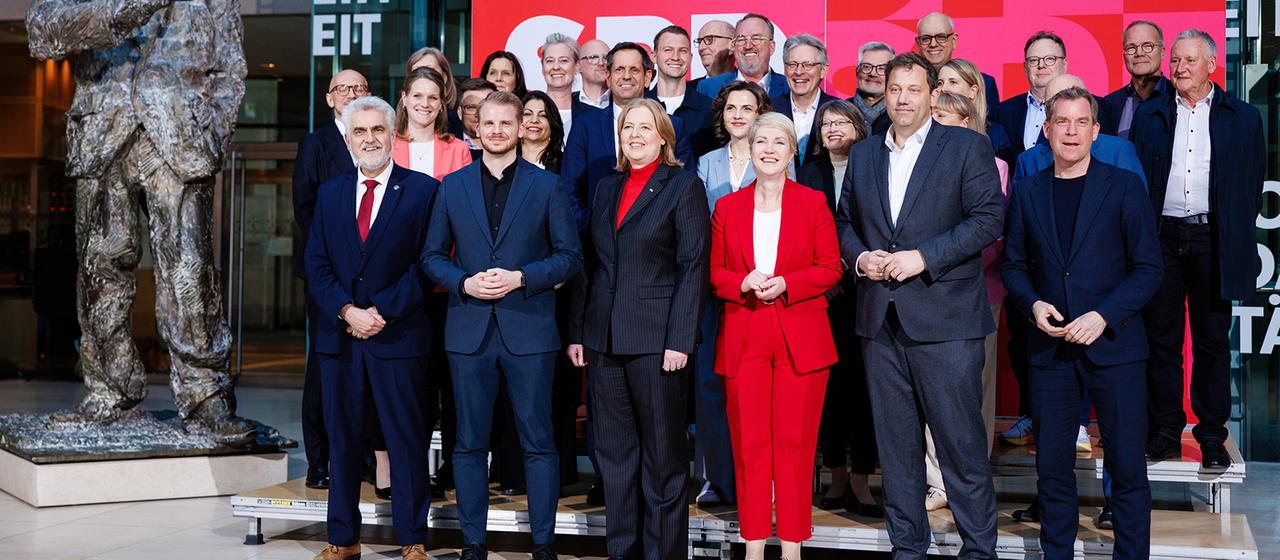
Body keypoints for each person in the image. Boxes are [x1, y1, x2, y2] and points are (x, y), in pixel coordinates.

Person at [28, 0, 256, 443]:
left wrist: (210, 135)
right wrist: (121, 10)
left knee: (189, 272)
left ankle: (204, 396)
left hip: (179, 139)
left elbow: (231, 69)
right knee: (100, 271)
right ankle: (109, 392)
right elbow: (42, 31)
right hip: (103, 134)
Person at [835, 53, 1003, 559]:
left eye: (913, 89)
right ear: (883, 95)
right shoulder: (864, 155)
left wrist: (922, 258)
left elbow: (987, 219)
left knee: (960, 447)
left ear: (933, 95)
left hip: (947, 322)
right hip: (880, 322)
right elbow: (845, 223)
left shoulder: (966, 147)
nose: (903, 98)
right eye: (895, 90)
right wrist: (862, 257)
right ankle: (908, 549)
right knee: (897, 450)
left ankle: (979, 551)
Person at [421, 91, 583, 560]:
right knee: (468, 445)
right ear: (476, 128)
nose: (495, 131)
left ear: (520, 128)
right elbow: (431, 256)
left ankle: (543, 545)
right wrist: (464, 283)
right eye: (487, 123)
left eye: (505, 123)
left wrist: (522, 278)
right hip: (468, 332)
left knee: (539, 443)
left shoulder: (546, 186)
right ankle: (473, 544)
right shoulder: (452, 186)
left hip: (529, 331)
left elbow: (570, 257)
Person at [1002, 86, 1161, 560]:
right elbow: (1013, 265)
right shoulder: (1028, 189)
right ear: (1046, 131)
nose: (1070, 132)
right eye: (1061, 123)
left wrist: (1103, 315)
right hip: (1050, 351)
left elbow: (1149, 268)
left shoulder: (1124, 185)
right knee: (1051, 467)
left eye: (1080, 123)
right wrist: (1032, 304)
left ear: (1096, 131)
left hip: (1115, 347)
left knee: (1128, 467)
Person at [565, 98, 710, 560]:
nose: (635, 134)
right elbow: (592, 266)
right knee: (614, 460)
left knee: (663, 461)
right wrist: (579, 331)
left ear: (664, 136)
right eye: (628, 127)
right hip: (604, 342)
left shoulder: (683, 187)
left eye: (645, 127)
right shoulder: (607, 187)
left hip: (657, 343)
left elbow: (692, 267)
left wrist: (679, 340)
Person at [304, 95, 438, 560]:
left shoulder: (423, 191)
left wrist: (380, 310)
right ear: (347, 139)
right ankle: (343, 539)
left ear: (392, 134)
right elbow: (315, 263)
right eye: (359, 132)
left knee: (405, 441)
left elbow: (428, 263)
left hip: (398, 337)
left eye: (377, 130)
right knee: (343, 443)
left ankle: (413, 539)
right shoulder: (331, 192)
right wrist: (346, 310)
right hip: (340, 340)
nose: (369, 139)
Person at [711, 112, 842, 560]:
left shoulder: (814, 202)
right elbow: (714, 272)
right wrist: (741, 282)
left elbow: (830, 267)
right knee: (749, 447)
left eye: (777, 142)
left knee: (794, 445)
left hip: (799, 335)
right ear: (749, 149)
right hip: (745, 331)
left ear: (791, 152)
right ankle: (751, 546)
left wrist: (788, 283)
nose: (767, 149)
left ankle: (790, 547)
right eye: (760, 141)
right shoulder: (728, 207)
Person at [1133, 29, 1265, 470]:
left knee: (1210, 343)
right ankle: (1166, 432)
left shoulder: (1242, 117)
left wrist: (1231, 231)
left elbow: (1251, 183)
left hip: (1213, 240)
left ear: (1212, 64)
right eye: (1175, 60)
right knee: (1161, 342)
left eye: (1189, 60)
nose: (1179, 68)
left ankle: (1211, 437)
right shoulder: (1150, 114)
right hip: (1161, 239)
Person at [920, 92, 1009, 512]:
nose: (940, 123)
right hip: (923, 293)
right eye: (935, 115)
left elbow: (993, 233)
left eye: (949, 117)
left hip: (977, 293)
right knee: (930, 394)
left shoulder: (994, 165)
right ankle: (938, 481)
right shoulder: (916, 164)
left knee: (974, 392)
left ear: (969, 122)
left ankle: (973, 475)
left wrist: (951, 263)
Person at [796, 100, 882, 518]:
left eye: (841, 121)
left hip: (868, 292)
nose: (832, 128)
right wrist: (822, 279)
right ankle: (836, 476)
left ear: (858, 127)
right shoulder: (809, 172)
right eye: (825, 123)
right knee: (828, 391)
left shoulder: (875, 165)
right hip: (821, 298)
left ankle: (864, 481)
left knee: (866, 389)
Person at [690, 80, 771, 508]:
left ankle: (758, 479)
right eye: (731, 108)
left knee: (757, 389)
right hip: (714, 289)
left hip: (764, 291)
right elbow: (698, 226)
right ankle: (716, 479)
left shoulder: (777, 159)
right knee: (710, 386)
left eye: (747, 107)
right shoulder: (706, 163)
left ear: (761, 113)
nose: (738, 114)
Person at [291, 68, 368, 490]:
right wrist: (335, 260)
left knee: (366, 367)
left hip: (369, 273)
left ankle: (363, 457)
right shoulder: (315, 144)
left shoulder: (377, 139)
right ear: (329, 99)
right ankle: (318, 460)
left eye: (359, 88)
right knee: (324, 365)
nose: (351, 93)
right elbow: (303, 210)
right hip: (327, 276)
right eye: (343, 89)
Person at [562, 42, 695, 231]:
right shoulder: (585, 126)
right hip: (596, 247)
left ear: (648, 76)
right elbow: (570, 189)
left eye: (634, 70)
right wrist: (595, 230)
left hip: (658, 245)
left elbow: (686, 187)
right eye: (619, 70)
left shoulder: (673, 125)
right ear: (608, 77)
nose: (626, 76)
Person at [1014, 75, 1146, 186]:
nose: (1071, 130)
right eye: (1054, 102)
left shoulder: (1119, 152)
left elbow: (1136, 207)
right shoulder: (1028, 161)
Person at [994, 31, 1068, 161]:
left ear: (1065, 64)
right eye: (1033, 60)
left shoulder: (1089, 107)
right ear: (1025, 67)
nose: (1041, 65)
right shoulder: (1004, 111)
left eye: (1050, 59)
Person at [392, 67, 473, 179]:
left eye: (433, 98)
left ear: (441, 104)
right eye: (417, 96)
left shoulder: (459, 149)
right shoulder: (387, 145)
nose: (425, 104)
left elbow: (465, 194)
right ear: (404, 98)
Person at [914, 12, 1000, 117]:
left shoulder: (984, 83)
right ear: (918, 43)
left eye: (941, 37)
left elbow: (991, 129)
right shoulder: (907, 85)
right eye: (926, 38)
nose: (933, 44)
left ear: (954, 40)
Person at [1100, 20, 1174, 140]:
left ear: (1162, 52)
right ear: (1124, 55)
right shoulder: (1108, 104)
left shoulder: (1179, 98)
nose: (1139, 53)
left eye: (1148, 46)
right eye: (1131, 48)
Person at [771, 34, 837, 167]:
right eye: (792, 64)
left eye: (808, 65)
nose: (799, 71)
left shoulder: (838, 110)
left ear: (823, 70)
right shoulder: (769, 109)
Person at [652, 25, 716, 157]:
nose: (676, 57)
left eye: (682, 51)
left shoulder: (710, 109)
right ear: (654, 56)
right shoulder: (639, 107)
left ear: (691, 57)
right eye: (668, 50)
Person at [937, 58, 1014, 164]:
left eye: (953, 82)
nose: (944, 89)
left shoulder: (995, 135)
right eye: (940, 83)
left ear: (972, 91)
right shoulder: (925, 129)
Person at [696, 13, 789, 98]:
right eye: (741, 39)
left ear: (771, 47)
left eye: (756, 38)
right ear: (733, 46)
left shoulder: (789, 87)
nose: (748, 46)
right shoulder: (708, 88)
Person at [540, 33, 596, 138]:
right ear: (542, 67)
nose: (556, 67)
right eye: (550, 61)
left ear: (577, 66)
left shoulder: (591, 114)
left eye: (564, 60)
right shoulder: (526, 110)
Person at [406, 47, 465, 139]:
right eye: (417, 71)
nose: (423, 75)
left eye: (430, 70)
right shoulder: (394, 121)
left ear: (444, 77)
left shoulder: (457, 119)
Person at [849, 42, 895, 135]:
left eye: (882, 68)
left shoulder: (900, 113)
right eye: (866, 67)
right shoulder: (840, 111)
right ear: (857, 71)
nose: (873, 74)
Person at [520, 91, 566, 173]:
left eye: (543, 115)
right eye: (527, 114)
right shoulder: (505, 159)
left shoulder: (565, 163)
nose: (534, 120)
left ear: (552, 123)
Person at [457, 79, 499, 159]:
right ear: (460, 113)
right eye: (471, 107)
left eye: (485, 107)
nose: (478, 114)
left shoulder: (512, 147)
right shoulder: (446, 149)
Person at [692, 19, 737, 92]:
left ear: (732, 45)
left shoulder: (748, 85)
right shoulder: (688, 90)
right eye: (700, 41)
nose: (701, 47)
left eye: (709, 39)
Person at [576, 39, 612, 109]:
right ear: (578, 66)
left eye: (606, 58)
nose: (601, 63)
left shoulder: (622, 102)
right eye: (593, 57)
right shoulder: (567, 104)